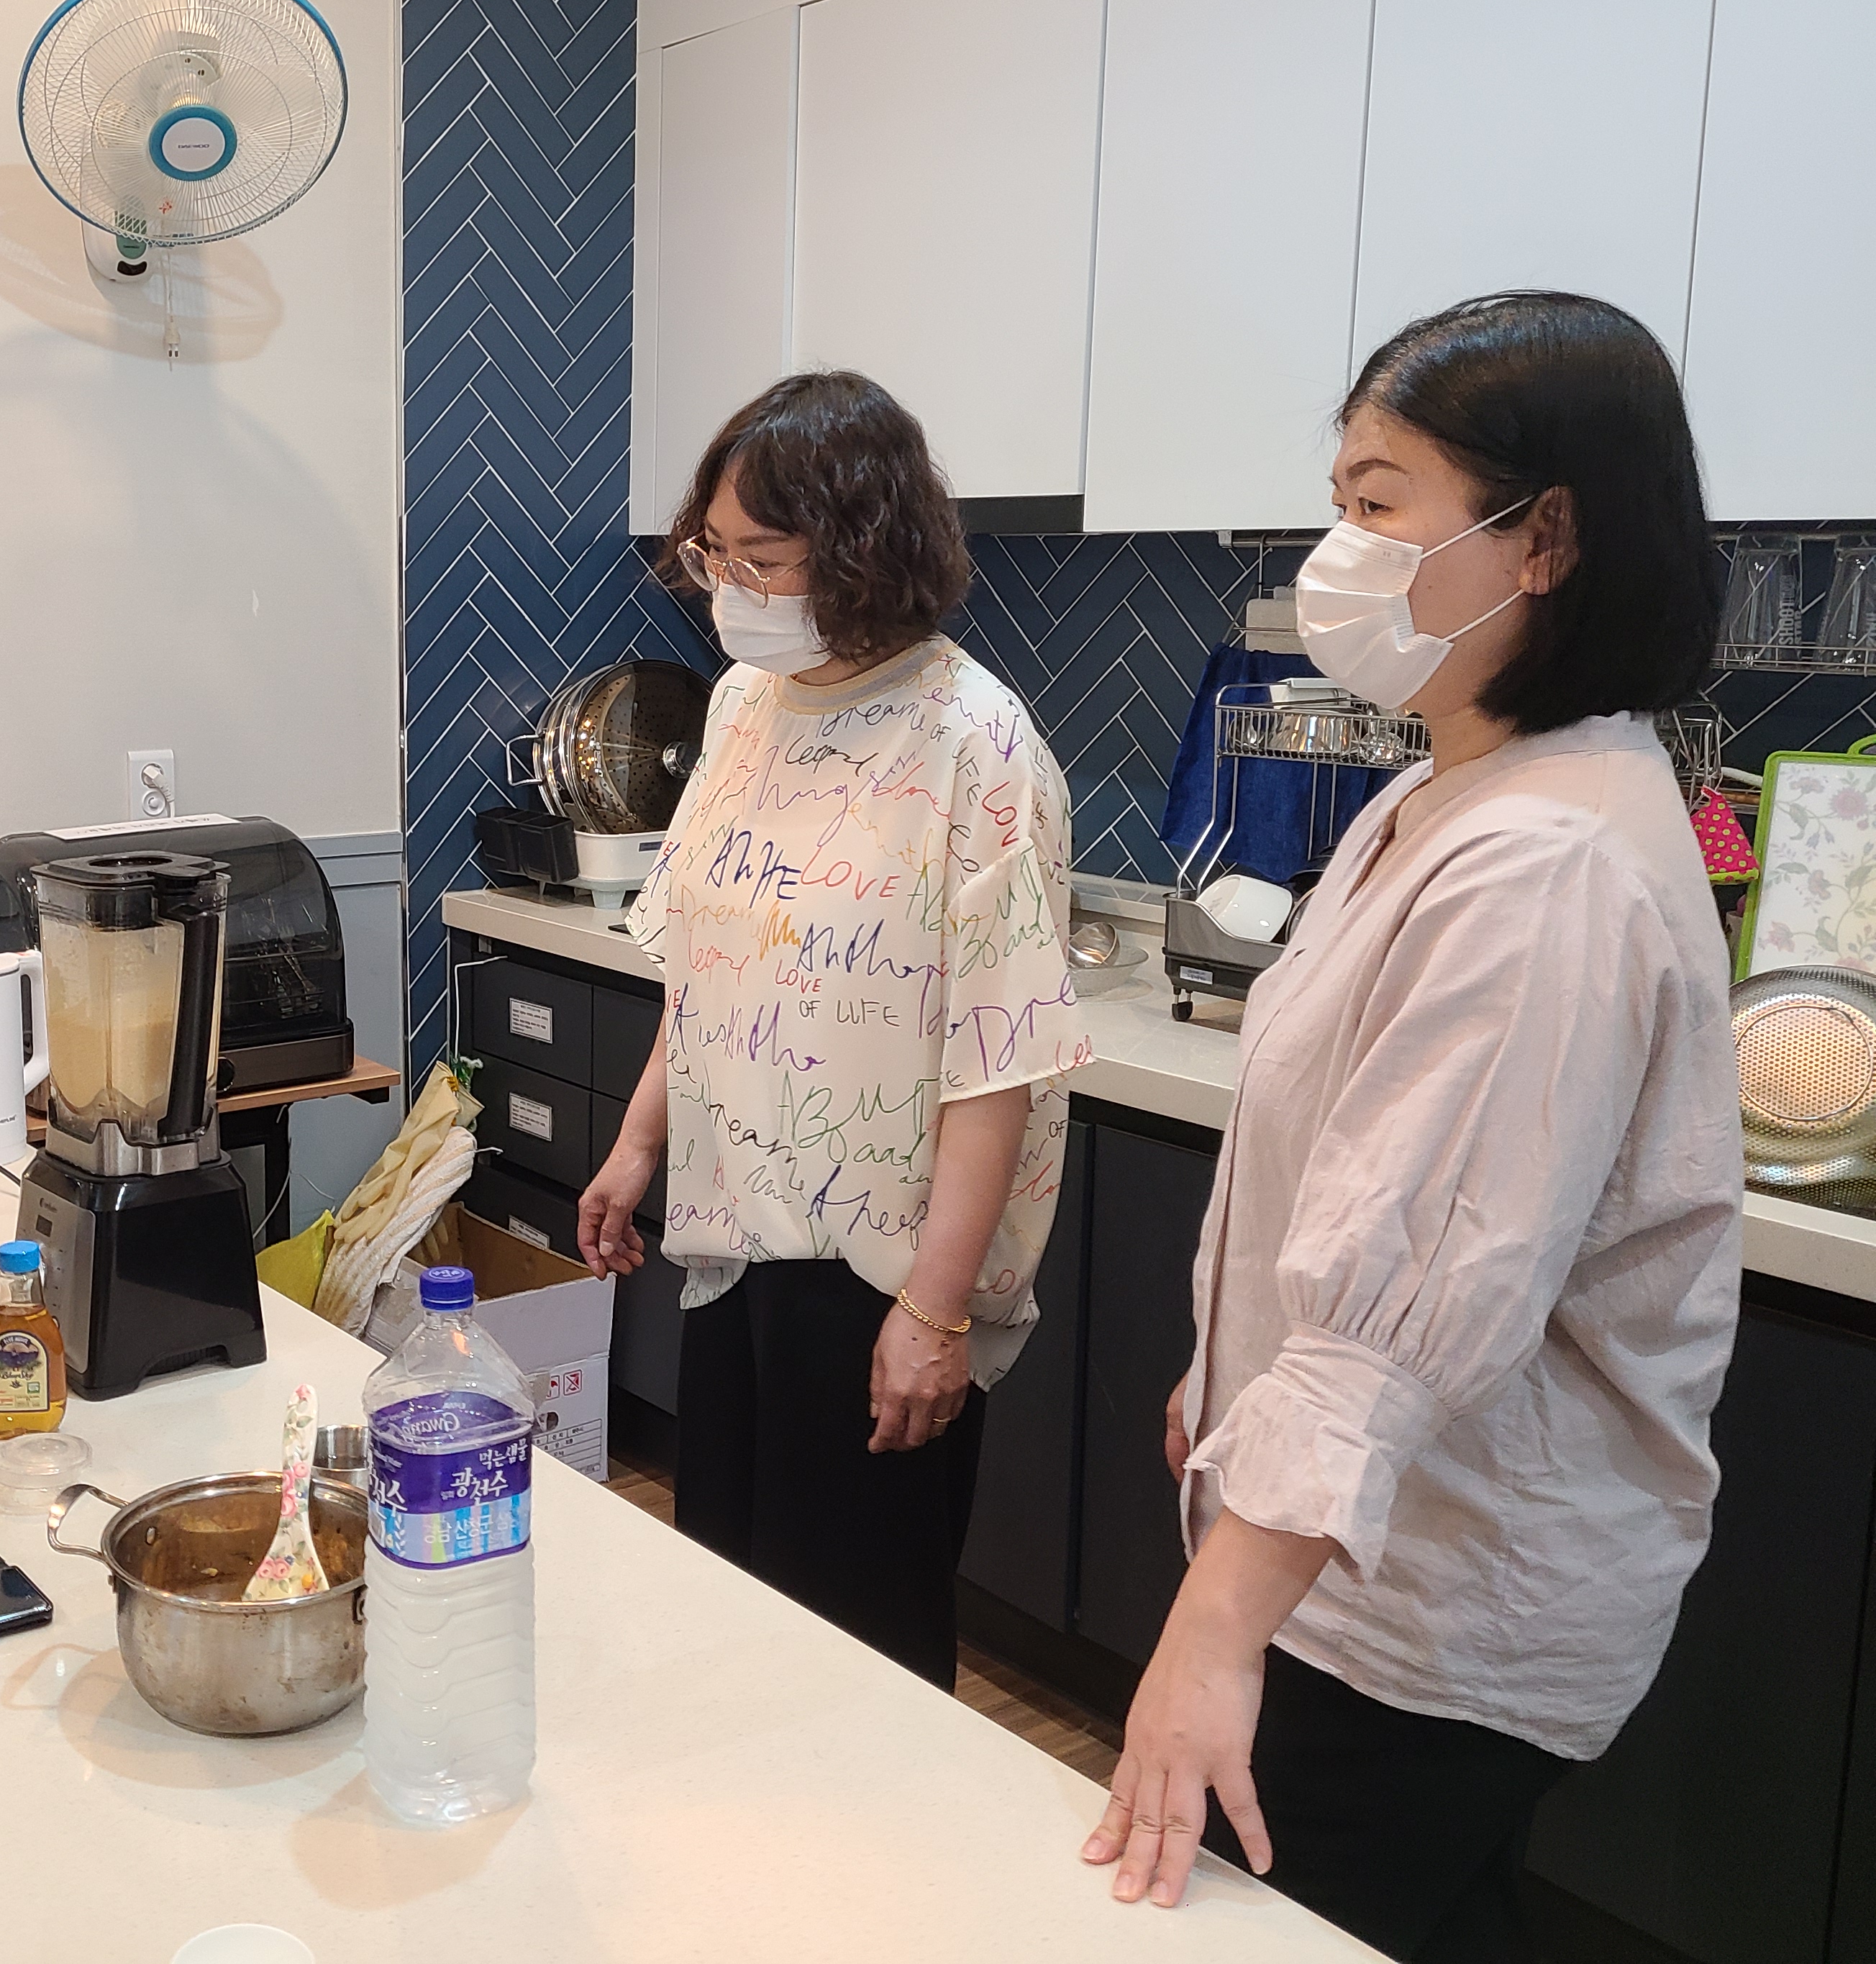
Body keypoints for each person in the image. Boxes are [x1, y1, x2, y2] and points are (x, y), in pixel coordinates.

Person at [1079, 291, 1739, 1962]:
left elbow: (1410, 1306)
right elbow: (1365, 1183)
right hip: (1358, 1549)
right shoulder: (1451, 792)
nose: (1340, 553)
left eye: (1379, 506)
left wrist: (1208, 1639)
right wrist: (1230, 1380)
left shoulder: (1547, 868)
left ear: (1545, 539)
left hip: (1430, 1603)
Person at [576, 370, 1089, 1689]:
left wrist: (936, 1311)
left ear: (864, 549)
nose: (730, 587)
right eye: (715, 553)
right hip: (735, 1234)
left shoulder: (977, 741)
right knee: (732, 1614)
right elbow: (709, 964)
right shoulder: (746, 706)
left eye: (763, 556)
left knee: (858, 1651)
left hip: (880, 1273)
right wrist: (640, 1145)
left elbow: (1001, 1063)